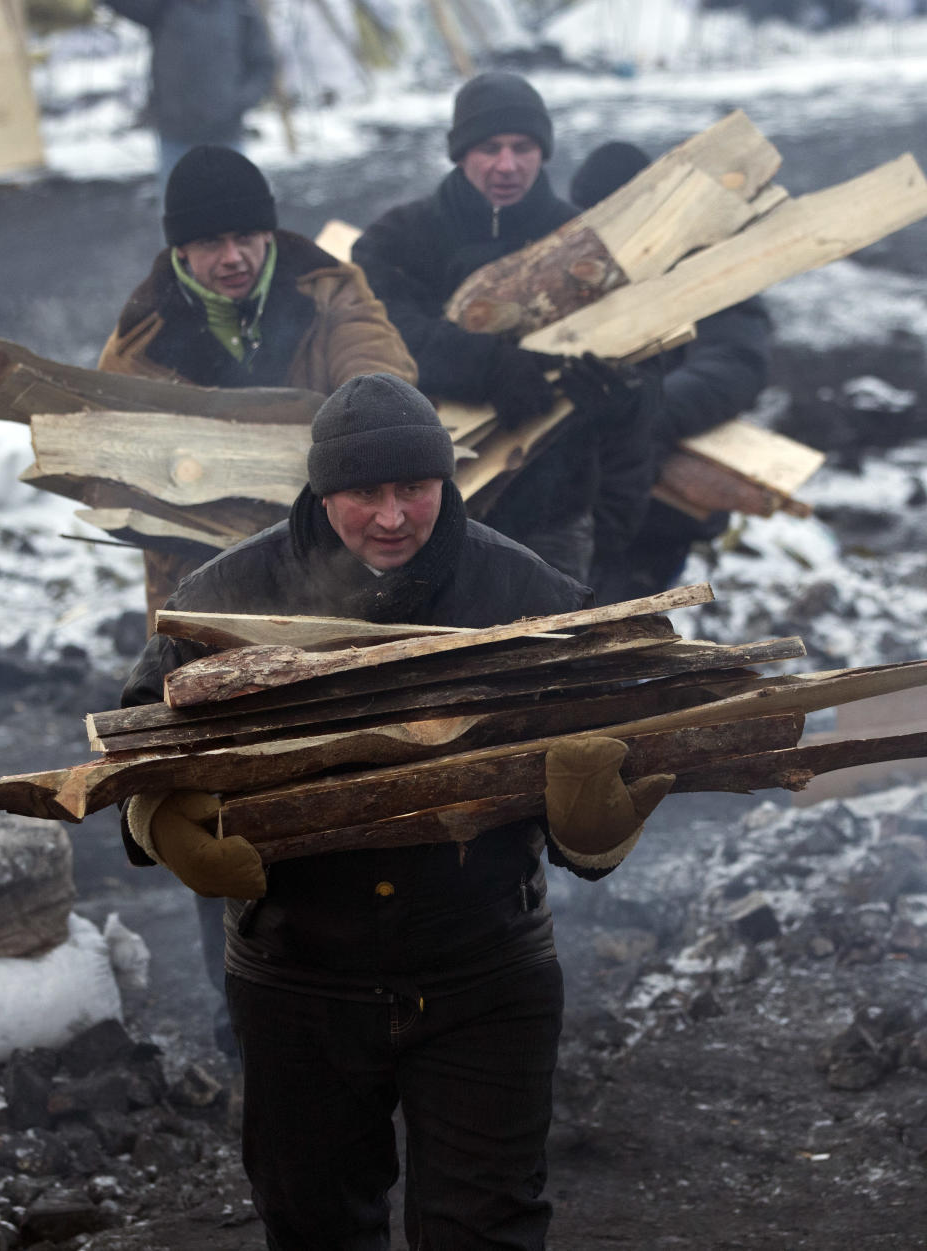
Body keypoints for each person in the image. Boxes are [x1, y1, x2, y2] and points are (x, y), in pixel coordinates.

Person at [118, 372, 673, 1250]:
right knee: (315, 1225)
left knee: (484, 1229)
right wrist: (160, 823)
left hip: (484, 968)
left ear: (445, 483)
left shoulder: (524, 595)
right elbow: (141, 744)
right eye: (363, 492)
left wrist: (598, 826)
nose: (391, 516)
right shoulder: (224, 598)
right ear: (321, 489)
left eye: (412, 487)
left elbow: (617, 754)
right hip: (299, 975)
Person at [100, 146, 416, 1056]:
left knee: (349, 773)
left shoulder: (328, 290)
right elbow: (109, 450)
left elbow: (380, 374)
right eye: (209, 242)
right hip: (207, 603)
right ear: (181, 253)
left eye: (245, 233)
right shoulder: (145, 337)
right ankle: (241, 1007)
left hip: (339, 587)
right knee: (218, 794)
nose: (233, 255)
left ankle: (374, 988)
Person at [352, 71, 660, 585]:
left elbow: (648, 369)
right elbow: (381, 333)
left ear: (544, 152)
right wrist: (486, 364)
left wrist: (617, 396)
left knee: (548, 659)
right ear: (459, 152)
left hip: (551, 516)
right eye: (489, 147)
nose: (507, 165)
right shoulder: (397, 240)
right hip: (415, 518)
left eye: (523, 147)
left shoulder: (585, 244)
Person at [570, 140, 774, 603]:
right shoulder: (578, 273)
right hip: (576, 498)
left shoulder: (704, 266)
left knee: (613, 637)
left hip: (657, 506)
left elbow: (735, 364)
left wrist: (636, 413)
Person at [105, 0, 276, 190]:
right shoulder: (164, 6)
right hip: (175, 136)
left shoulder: (240, 9)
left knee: (233, 209)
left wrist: (238, 103)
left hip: (225, 135)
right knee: (179, 213)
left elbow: (263, 65)